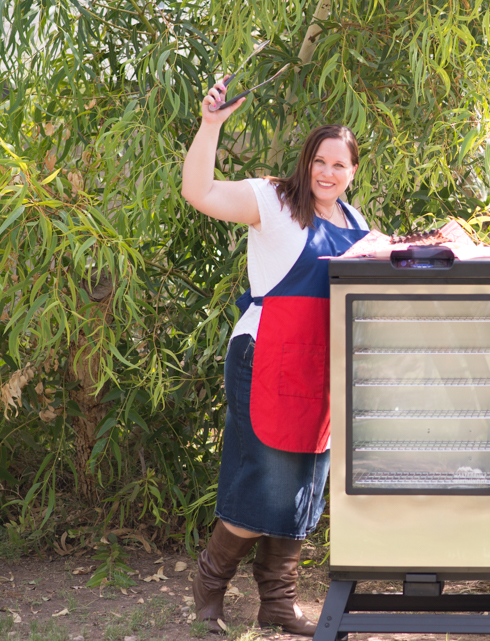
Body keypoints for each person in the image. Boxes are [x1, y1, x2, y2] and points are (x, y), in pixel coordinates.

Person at [181, 79, 370, 636]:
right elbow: (199, 191)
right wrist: (210, 125)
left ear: (353, 171)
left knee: (307, 481)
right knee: (262, 476)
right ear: (306, 161)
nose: (328, 172)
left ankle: (277, 604)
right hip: (266, 356)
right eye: (320, 160)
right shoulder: (272, 199)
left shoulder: (356, 225)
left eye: (340, 164)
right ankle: (210, 583)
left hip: (323, 368)